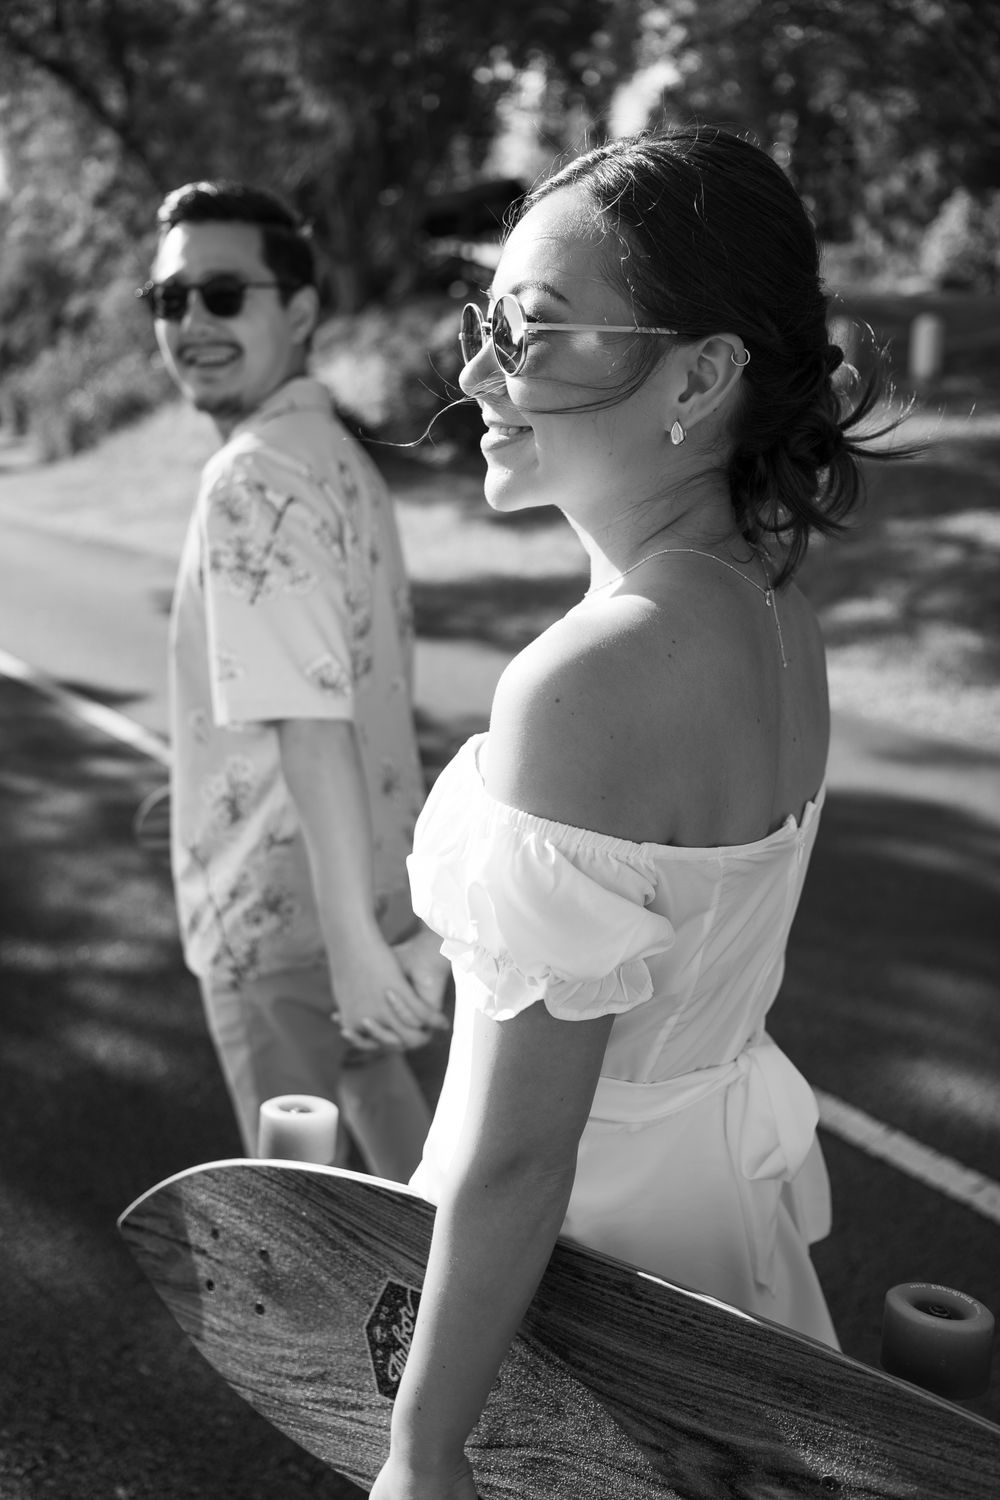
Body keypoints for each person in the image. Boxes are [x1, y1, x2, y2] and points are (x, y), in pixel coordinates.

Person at [370, 126, 908, 1499]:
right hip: (723, 1240)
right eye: (486, 322)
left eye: (537, 332)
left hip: (578, 1290)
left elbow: (515, 1154)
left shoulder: (589, 680)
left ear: (700, 374)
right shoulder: (781, 607)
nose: (480, 373)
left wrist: (423, 1452)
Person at [140, 180, 448, 1179]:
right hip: (365, 885)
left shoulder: (251, 475)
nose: (191, 321)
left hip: (280, 923)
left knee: (288, 1232)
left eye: (223, 293)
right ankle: (466, 1329)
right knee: (389, 1136)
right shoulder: (337, 456)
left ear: (301, 311)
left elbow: (310, 719)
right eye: (169, 300)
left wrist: (352, 947)